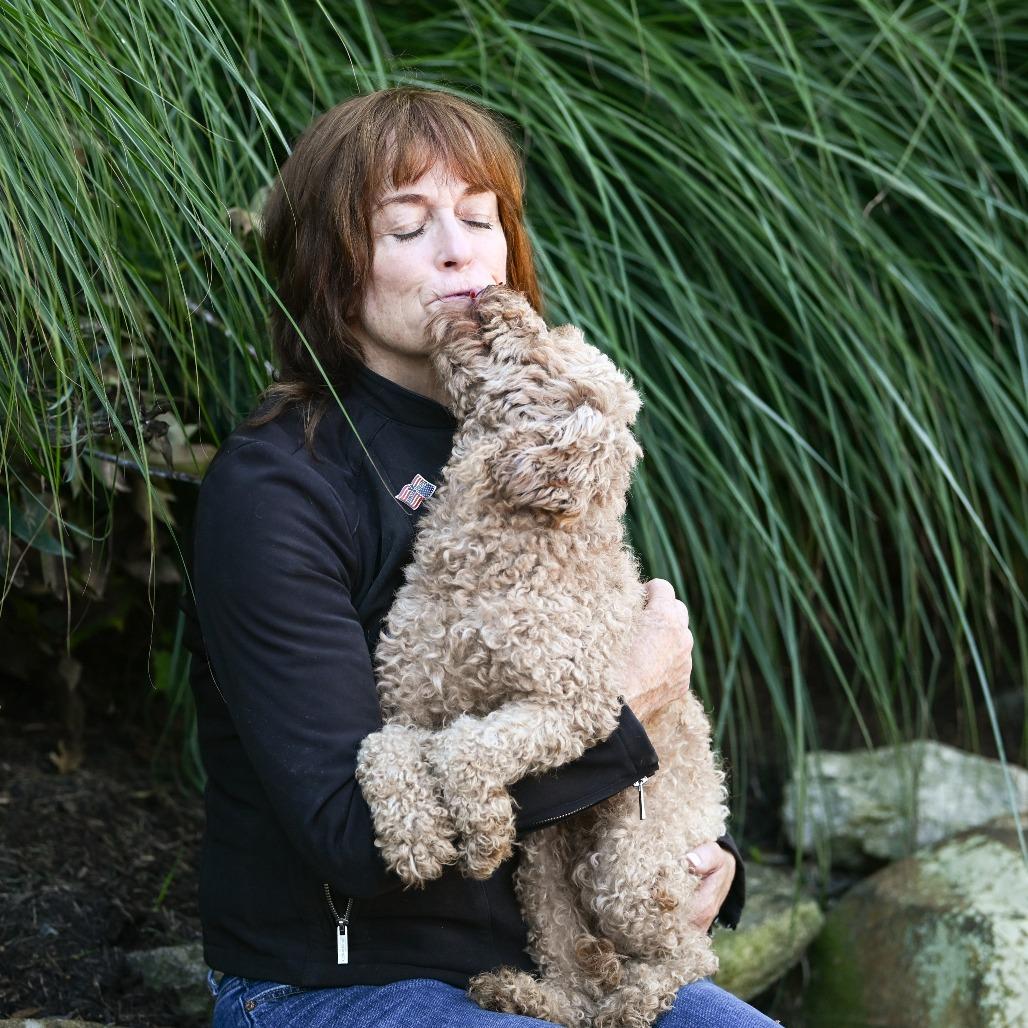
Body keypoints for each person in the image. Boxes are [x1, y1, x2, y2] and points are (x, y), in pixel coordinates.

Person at [181, 86, 775, 1027]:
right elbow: (349, 833)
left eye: (478, 218)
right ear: (333, 266)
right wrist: (618, 711)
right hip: (342, 982)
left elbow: (601, 695)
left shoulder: (534, 441)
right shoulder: (279, 489)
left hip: (570, 968)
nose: (457, 251)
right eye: (407, 227)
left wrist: (712, 869)